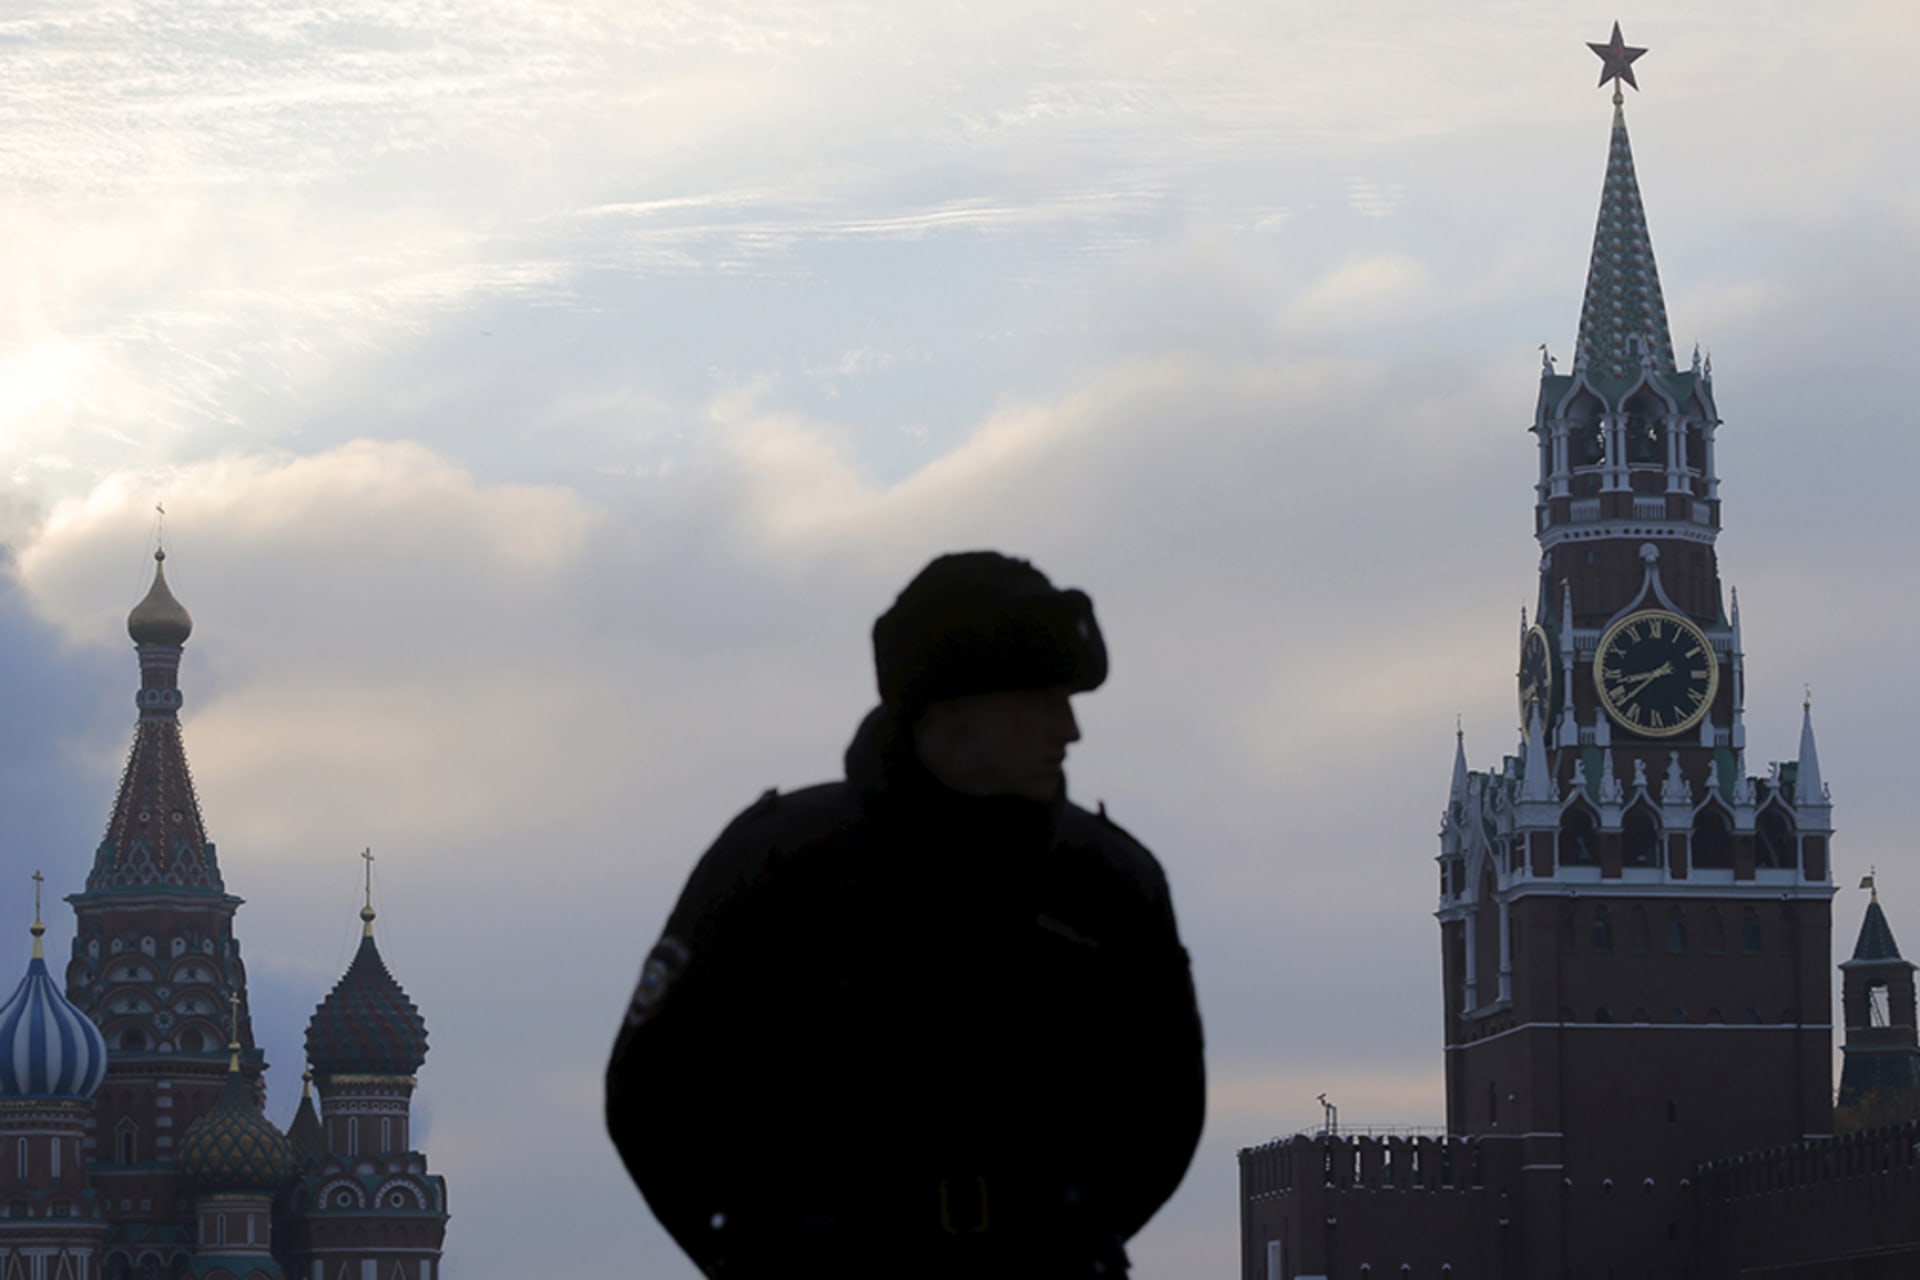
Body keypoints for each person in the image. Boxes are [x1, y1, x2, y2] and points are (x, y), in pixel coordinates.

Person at [606, 551, 1205, 1279]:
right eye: (1042, 700)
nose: (1070, 729)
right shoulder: (779, 865)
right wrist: (754, 1259)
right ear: (952, 707)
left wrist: (1060, 1239)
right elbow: (652, 1094)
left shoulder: (1110, 883)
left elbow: (1166, 1113)